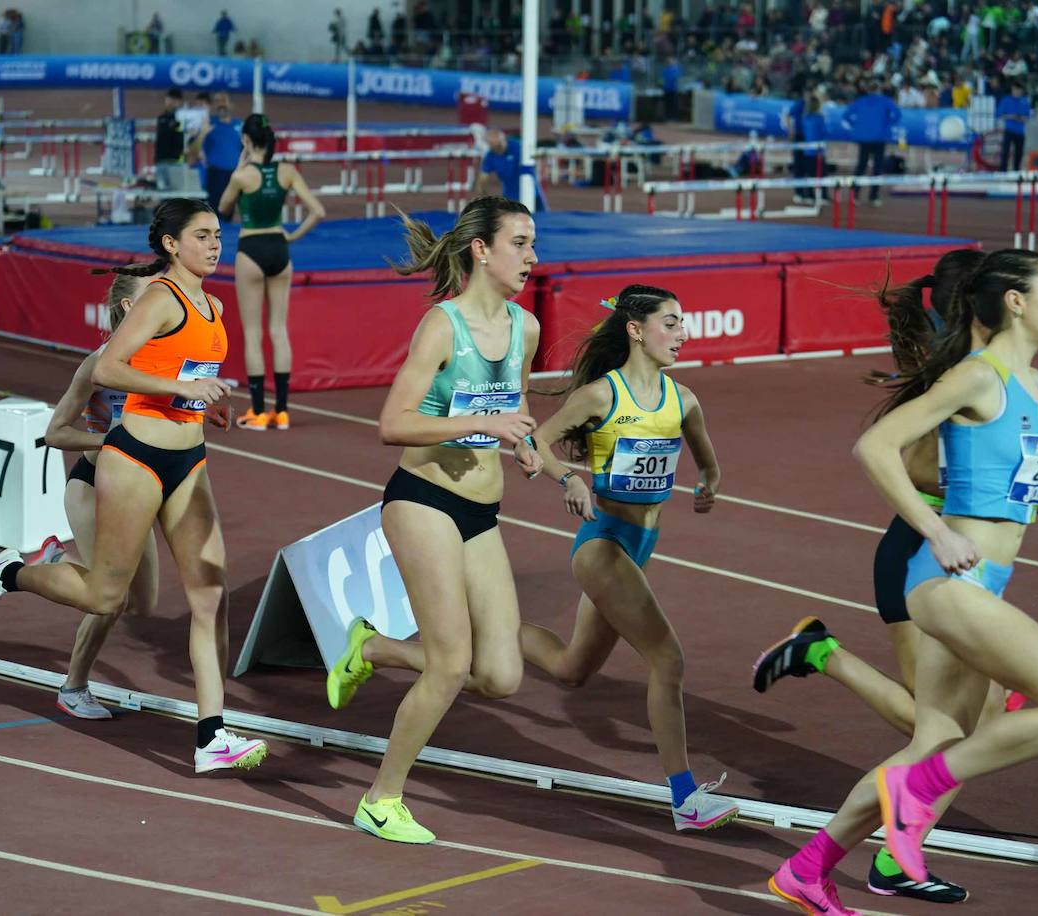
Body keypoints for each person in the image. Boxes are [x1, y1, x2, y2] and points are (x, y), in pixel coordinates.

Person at [766, 249, 1038, 915]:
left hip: (987, 581)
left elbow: (1024, 498)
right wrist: (935, 529)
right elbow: (875, 448)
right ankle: (919, 792)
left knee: (939, 740)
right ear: (1015, 301)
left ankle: (809, 869)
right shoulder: (977, 377)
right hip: (951, 580)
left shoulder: (1033, 387)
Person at [0, 198, 270, 775]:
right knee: (109, 597)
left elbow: (184, 378)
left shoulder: (214, 303)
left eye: (218, 234)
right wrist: (180, 392)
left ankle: (212, 735)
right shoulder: (159, 297)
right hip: (134, 458)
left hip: (190, 458)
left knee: (211, 593)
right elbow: (108, 370)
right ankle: (8, 572)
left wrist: (206, 401)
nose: (214, 243)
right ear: (172, 244)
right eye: (201, 235)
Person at [753, 250, 986, 903]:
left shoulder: (979, 369)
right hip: (925, 554)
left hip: (960, 560)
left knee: (976, 725)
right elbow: (908, 464)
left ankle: (893, 857)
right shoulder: (952, 379)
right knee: (940, 732)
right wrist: (970, 496)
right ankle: (824, 656)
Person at [323, 196, 542, 843]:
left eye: (533, 244)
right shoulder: (441, 328)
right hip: (422, 501)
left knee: (500, 675)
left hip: (482, 509)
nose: (533, 257)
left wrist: (534, 450)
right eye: (521, 243)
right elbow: (392, 424)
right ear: (482, 249)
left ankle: (376, 646)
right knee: (450, 664)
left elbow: (516, 404)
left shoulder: (524, 329)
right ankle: (380, 799)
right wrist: (480, 422)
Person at [518, 284, 741, 834]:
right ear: (636, 331)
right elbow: (530, 445)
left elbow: (709, 466)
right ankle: (685, 800)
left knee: (572, 669)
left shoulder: (683, 400)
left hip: (639, 550)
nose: (682, 334)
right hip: (602, 545)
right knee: (668, 660)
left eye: (684, 322)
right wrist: (568, 476)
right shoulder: (600, 397)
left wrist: (707, 487)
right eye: (671, 323)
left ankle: (491, 627)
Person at [42, 271, 161, 719]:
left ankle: (57, 562)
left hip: (139, 488)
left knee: (144, 603)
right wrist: (109, 443)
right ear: (131, 309)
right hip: (93, 485)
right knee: (109, 599)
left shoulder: (162, 360)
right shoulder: (99, 363)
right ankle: (73, 687)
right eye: (155, 295)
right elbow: (55, 433)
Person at [217, 115, 325, 432]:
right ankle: (282, 411)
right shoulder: (287, 171)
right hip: (280, 247)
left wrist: (241, 164)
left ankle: (258, 412)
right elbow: (318, 211)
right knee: (278, 330)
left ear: (248, 142)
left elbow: (223, 208)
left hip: (251, 248)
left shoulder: (242, 176)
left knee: (253, 333)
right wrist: (293, 236)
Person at [843, 80, 900, 206]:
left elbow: (846, 115)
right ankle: (873, 197)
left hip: (863, 138)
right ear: (879, 89)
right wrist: (888, 124)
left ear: (868, 90)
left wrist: (856, 125)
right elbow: (897, 114)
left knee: (861, 166)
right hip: (879, 137)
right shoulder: (885, 101)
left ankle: (855, 194)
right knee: (877, 167)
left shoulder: (860, 101)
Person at [198, 92, 242, 213]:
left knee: (229, 211)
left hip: (234, 175)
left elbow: (247, 149)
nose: (221, 104)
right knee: (215, 213)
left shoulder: (240, 125)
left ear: (231, 105)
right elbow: (195, 148)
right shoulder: (207, 124)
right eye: (217, 101)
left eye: (224, 100)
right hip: (215, 175)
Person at [154, 88, 187, 192]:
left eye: (175, 101)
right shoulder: (162, 118)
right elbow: (165, 133)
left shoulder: (184, 119)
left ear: (179, 102)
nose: (171, 103)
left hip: (177, 162)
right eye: (169, 100)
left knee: (177, 195)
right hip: (162, 161)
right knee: (163, 194)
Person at [997, 82, 1031, 173]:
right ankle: (1003, 170)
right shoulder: (1006, 100)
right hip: (1009, 130)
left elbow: (1028, 117)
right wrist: (1011, 116)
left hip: (1020, 131)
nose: (1017, 92)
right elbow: (1000, 115)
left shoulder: (1024, 101)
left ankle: (1016, 170)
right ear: (1012, 90)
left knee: (1019, 153)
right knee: (1005, 151)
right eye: (1016, 90)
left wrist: (1021, 118)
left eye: (1019, 91)